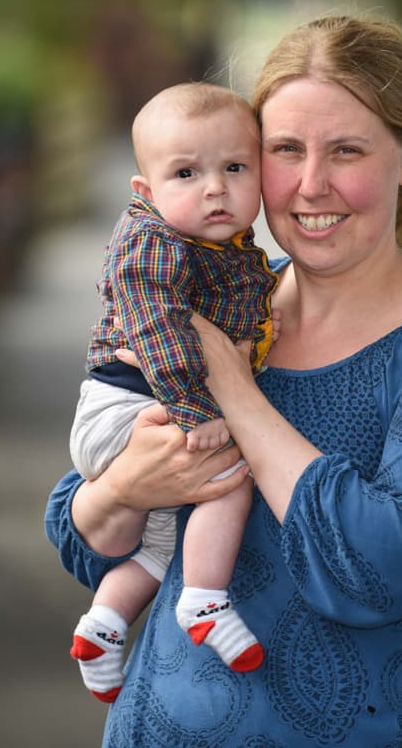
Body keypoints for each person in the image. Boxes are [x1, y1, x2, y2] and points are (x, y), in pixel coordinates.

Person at [46, 15, 402, 745]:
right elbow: (85, 539)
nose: (310, 185)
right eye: (285, 150)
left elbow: (384, 573)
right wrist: (121, 490)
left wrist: (233, 389)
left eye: (347, 151)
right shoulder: (226, 301)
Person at [66, 81, 276, 703]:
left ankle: (102, 630)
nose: (215, 187)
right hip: (131, 407)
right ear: (146, 191)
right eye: (187, 172)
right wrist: (194, 408)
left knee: (161, 547)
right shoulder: (151, 244)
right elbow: (157, 327)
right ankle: (206, 600)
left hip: (140, 411)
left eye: (235, 167)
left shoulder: (223, 248)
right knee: (232, 471)